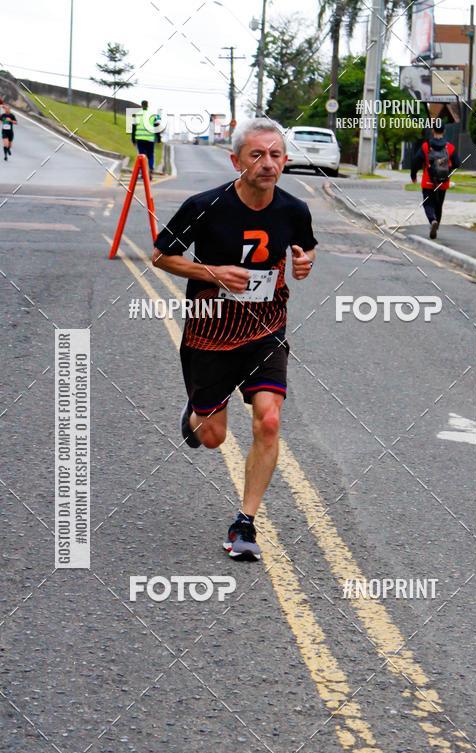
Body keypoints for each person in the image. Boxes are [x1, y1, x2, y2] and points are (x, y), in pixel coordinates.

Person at [152, 119, 317, 561]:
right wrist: (213, 273)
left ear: (285, 159)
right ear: (236, 161)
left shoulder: (294, 209)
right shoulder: (204, 206)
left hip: (266, 327)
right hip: (211, 329)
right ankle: (195, 417)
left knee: (269, 420)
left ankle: (245, 523)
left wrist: (304, 263)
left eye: (276, 154)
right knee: (212, 438)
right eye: (257, 155)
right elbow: (161, 255)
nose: (268, 164)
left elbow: (306, 248)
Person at [410, 123, 460, 239]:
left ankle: (432, 221)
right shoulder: (450, 147)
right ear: (444, 131)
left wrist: (413, 176)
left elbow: (415, 162)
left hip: (428, 181)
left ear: (433, 131)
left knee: (428, 203)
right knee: (439, 205)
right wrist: (448, 171)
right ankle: (436, 226)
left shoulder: (426, 146)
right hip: (443, 182)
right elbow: (457, 163)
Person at [131, 100, 161, 178]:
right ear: (147, 105)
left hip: (140, 139)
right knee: (150, 155)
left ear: (141, 105)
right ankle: (151, 168)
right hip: (150, 139)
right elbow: (156, 126)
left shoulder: (137, 115)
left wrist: (133, 140)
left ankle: (143, 173)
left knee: (141, 156)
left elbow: (133, 128)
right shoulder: (152, 115)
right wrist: (159, 138)